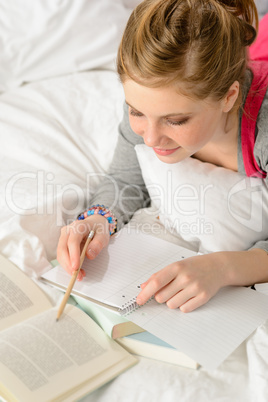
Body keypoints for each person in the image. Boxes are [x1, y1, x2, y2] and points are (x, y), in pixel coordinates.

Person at [57, 0, 268, 313]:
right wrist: (100, 217)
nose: (150, 138)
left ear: (229, 97)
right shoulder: (152, 98)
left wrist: (223, 267)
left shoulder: (262, 136)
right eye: (136, 111)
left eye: (176, 120)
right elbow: (125, 178)